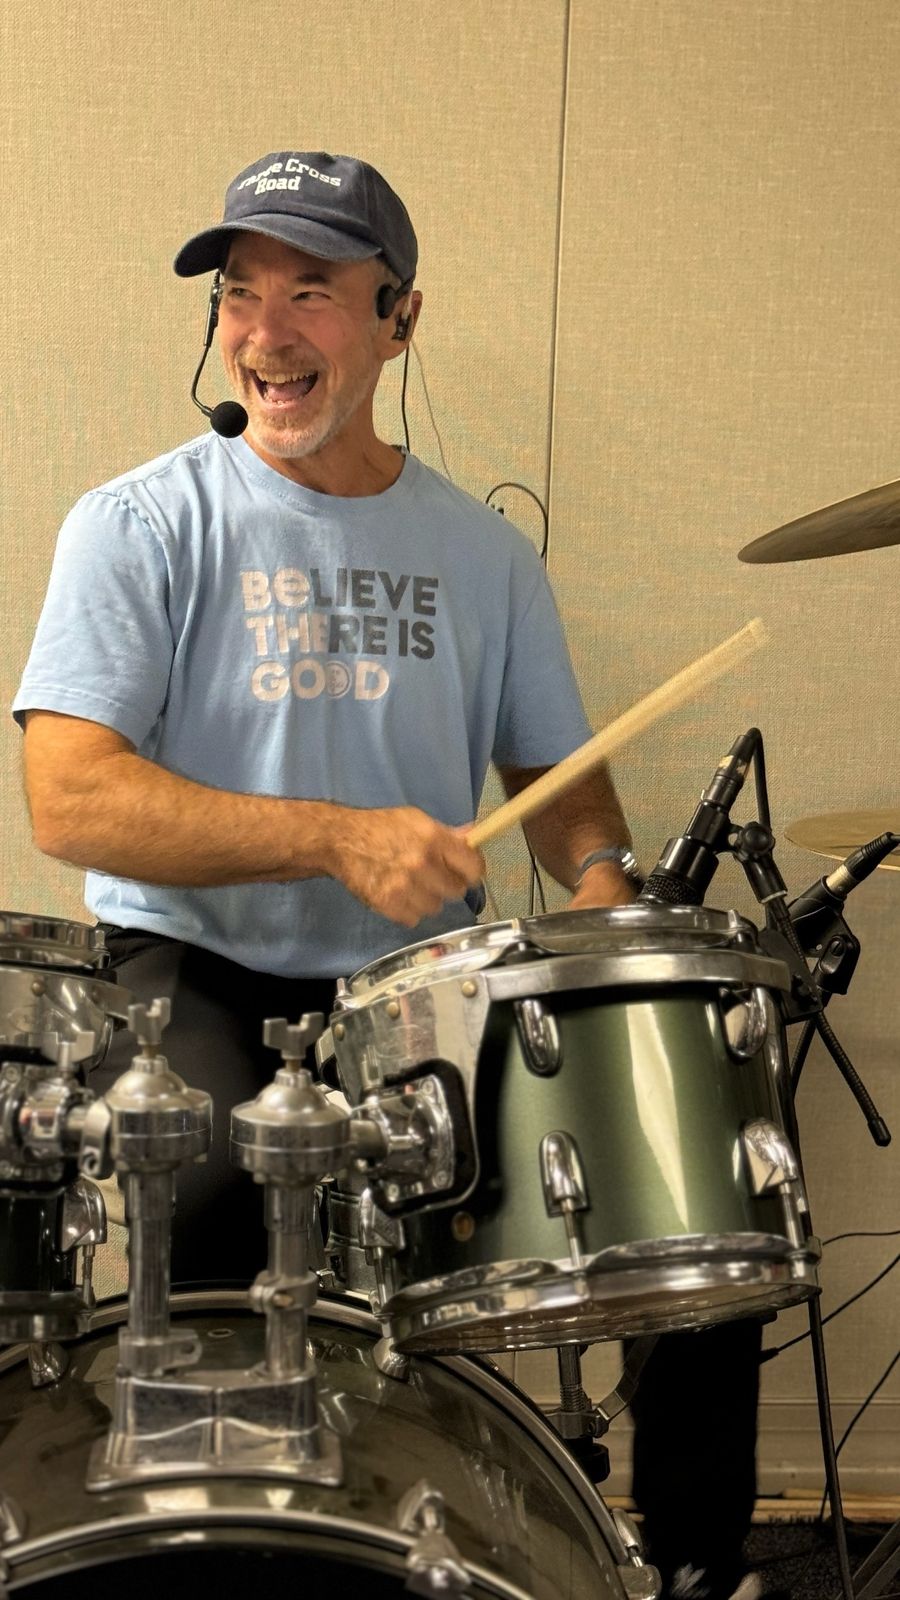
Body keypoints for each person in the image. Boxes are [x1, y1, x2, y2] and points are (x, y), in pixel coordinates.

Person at [13, 150, 764, 1600]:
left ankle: (692, 1565)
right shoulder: (140, 522)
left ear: (399, 319)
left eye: (311, 291)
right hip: (193, 976)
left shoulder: (486, 558)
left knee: (683, 1186)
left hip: (419, 997)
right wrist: (334, 834)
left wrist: (602, 881)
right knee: (219, 1181)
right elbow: (72, 797)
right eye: (240, 293)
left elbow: (561, 781)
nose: (264, 330)